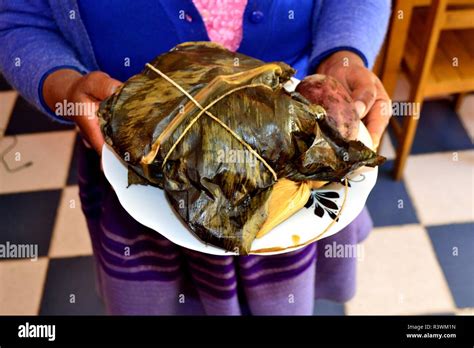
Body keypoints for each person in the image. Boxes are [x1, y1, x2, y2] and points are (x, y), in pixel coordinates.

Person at [0, 0, 391, 315]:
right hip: (141, 178)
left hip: (294, 185)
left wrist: (345, 54)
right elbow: (15, 19)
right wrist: (63, 86)